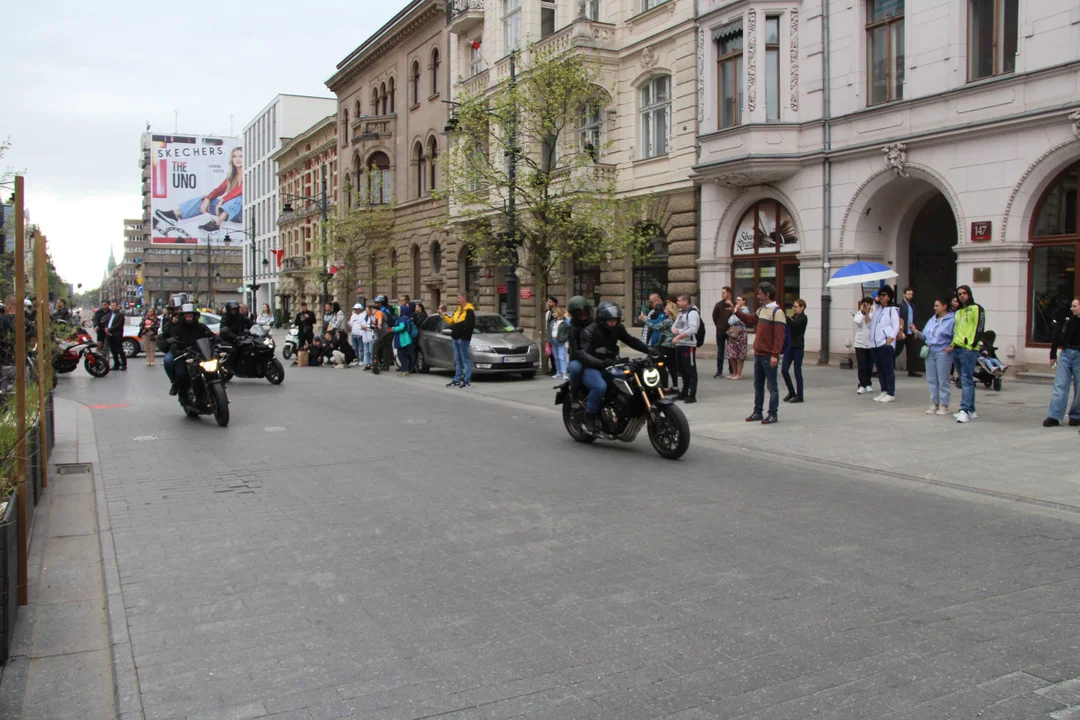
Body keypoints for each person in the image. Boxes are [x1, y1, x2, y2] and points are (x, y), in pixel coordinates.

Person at [575, 301, 654, 434]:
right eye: (610, 321)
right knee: (600, 387)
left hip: (611, 363)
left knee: (629, 381)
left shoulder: (617, 328)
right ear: (601, 320)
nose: (613, 323)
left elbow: (631, 340)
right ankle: (590, 415)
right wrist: (600, 362)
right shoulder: (589, 331)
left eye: (615, 320)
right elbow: (583, 354)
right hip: (591, 367)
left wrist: (649, 350)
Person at [155, 147, 244, 233]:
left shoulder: (249, 174)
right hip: (230, 212)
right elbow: (219, 190)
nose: (237, 159)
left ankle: (216, 224)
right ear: (231, 159)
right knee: (204, 199)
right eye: (234, 156)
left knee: (240, 198)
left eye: (241, 156)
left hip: (243, 213)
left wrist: (223, 200)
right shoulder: (231, 177)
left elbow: (241, 189)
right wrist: (207, 199)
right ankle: (175, 214)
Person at [741, 282, 787, 424]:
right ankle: (757, 412)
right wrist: (736, 312)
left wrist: (775, 355)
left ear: (767, 295)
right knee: (758, 385)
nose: (758, 295)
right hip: (759, 354)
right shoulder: (762, 310)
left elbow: (779, 337)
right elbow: (750, 320)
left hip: (768, 355)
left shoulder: (777, 312)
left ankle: (773, 414)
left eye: (760, 293)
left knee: (772, 386)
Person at [911, 297, 955, 416]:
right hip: (930, 351)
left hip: (943, 352)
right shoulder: (932, 320)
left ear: (944, 306)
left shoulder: (952, 320)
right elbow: (925, 336)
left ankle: (944, 405)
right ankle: (934, 403)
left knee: (943, 379)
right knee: (931, 379)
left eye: (937, 306)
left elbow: (955, 335)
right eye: (934, 306)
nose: (934, 308)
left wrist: (952, 347)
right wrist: (916, 331)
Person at [164, 304, 216, 396]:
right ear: (182, 316)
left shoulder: (201, 327)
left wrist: (219, 341)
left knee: (216, 367)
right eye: (186, 316)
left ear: (195, 316)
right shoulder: (176, 328)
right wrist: (176, 349)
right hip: (184, 354)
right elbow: (171, 339)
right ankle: (180, 391)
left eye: (190, 316)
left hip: (201, 354)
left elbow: (211, 336)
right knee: (181, 374)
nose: (189, 318)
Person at [1044, 297, 1080, 428]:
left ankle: (1076, 416)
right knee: (1060, 385)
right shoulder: (1068, 319)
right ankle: (1054, 416)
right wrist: (1053, 354)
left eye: (1075, 306)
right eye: (1071, 306)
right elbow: (1056, 334)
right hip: (1066, 353)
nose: (1072, 308)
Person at [952, 285, 986, 424]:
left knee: (966, 379)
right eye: (959, 294)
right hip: (957, 348)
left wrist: (972, 345)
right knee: (964, 379)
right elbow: (956, 329)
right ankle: (971, 409)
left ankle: (964, 410)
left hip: (968, 349)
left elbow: (980, 327)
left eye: (964, 293)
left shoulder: (977, 308)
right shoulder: (959, 311)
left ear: (969, 294)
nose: (962, 296)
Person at [868, 286, 900, 403]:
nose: (881, 297)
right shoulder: (876, 309)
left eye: (884, 295)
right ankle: (884, 390)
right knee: (880, 369)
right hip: (874, 343)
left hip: (885, 343)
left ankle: (891, 392)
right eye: (880, 295)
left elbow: (896, 326)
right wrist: (867, 312)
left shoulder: (892, 310)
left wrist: (890, 340)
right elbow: (869, 325)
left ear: (889, 297)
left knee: (888, 369)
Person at [670, 295, 701, 404]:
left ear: (685, 301)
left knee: (690, 370)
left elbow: (693, 329)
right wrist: (673, 329)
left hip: (688, 345)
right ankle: (684, 392)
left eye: (679, 301)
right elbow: (675, 324)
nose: (677, 302)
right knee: (682, 370)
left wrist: (678, 337)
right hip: (680, 345)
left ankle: (692, 395)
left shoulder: (692, 313)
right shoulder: (681, 312)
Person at [442, 293, 475, 388]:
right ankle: (457, 380)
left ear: (464, 299)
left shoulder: (469, 311)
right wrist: (443, 315)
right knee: (457, 360)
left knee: (465, 360)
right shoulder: (458, 309)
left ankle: (467, 380)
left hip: (463, 339)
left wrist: (463, 337)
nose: (457, 300)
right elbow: (451, 321)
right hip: (456, 338)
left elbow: (469, 327)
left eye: (459, 298)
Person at [566, 295, 594, 392]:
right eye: (579, 313)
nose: (583, 315)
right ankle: (574, 392)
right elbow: (575, 349)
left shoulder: (594, 324)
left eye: (585, 311)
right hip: (578, 358)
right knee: (575, 369)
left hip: (595, 355)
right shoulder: (572, 328)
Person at [782, 299, 807, 403]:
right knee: (784, 370)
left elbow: (793, 324)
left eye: (796, 306)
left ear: (802, 307)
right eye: (793, 306)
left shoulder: (803, 318)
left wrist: (783, 315)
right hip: (789, 347)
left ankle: (800, 395)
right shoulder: (794, 317)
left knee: (797, 371)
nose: (794, 308)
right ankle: (791, 391)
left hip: (798, 347)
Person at [896, 287, 922, 377]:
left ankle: (912, 371)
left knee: (912, 352)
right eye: (908, 294)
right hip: (903, 331)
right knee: (897, 350)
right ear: (904, 294)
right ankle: (886, 367)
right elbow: (899, 319)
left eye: (911, 294)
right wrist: (900, 331)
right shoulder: (900, 305)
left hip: (911, 331)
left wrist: (915, 331)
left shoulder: (912, 306)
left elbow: (913, 319)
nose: (910, 296)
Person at [853, 297, 874, 394]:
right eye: (866, 305)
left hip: (870, 343)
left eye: (869, 305)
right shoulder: (859, 313)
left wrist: (868, 313)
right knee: (862, 365)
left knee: (869, 365)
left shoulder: (873, 314)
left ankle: (868, 384)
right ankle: (861, 384)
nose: (867, 307)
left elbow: (870, 323)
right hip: (860, 343)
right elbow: (857, 321)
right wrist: (863, 312)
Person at [712, 287, 734, 379]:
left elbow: (737, 315)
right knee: (720, 351)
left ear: (729, 294)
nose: (722, 294)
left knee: (730, 352)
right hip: (720, 331)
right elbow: (714, 316)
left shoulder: (733, 305)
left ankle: (732, 371)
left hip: (731, 331)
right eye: (722, 293)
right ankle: (719, 371)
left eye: (724, 293)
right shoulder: (718, 305)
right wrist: (718, 326)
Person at [726, 296, 749, 380]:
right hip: (733, 333)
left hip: (741, 333)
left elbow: (734, 320)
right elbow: (730, 321)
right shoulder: (736, 310)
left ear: (744, 301)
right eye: (737, 300)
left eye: (739, 300)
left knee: (740, 354)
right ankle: (734, 372)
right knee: (731, 353)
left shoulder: (745, 310)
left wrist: (736, 310)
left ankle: (739, 373)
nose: (737, 302)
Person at [391, 304, 416, 375]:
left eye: (399, 310)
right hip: (401, 338)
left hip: (402, 339)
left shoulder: (403, 318)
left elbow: (402, 327)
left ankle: (405, 369)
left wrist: (394, 329)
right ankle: (405, 368)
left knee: (401, 354)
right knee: (402, 354)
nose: (398, 311)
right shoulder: (403, 317)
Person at [105, 300, 127, 371]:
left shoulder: (120, 315)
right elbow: (106, 322)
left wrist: (109, 329)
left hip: (117, 334)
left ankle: (124, 364)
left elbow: (118, 325)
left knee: (120, 350)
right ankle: (116, 364)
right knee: (113, 350)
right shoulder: (110, 314)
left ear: (117, 306)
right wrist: (106, 329)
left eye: (114, 306)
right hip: (110, 335)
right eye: (111, 306)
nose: (112, 307)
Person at [551, 307, 569, 379]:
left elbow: (568, 332)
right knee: (556, 357)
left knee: (561, 357)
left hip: (560, 341)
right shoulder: (552, 321)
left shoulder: (564, 322)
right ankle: (558, 372)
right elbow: (549, 330)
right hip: (553, 340)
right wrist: (549, 338)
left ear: (558, 313)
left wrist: (564, 339)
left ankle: (564, 373)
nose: (553, 314)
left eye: (554, 312)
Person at [544, 296, 559, 376]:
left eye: (550, 301)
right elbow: (547, 324)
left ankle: (556, 370)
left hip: (555, 335)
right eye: (548, 301)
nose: (548, 303)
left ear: (554, 303)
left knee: (555, 353)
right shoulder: (548, 312)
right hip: (549, 335)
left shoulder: (557, 312)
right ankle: (553, 369)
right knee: (550, 353)